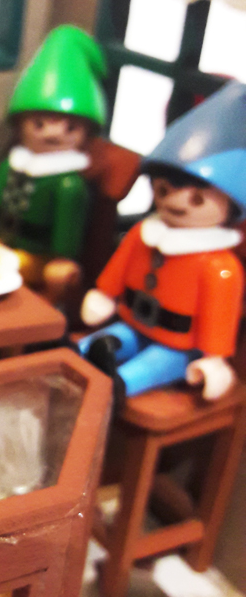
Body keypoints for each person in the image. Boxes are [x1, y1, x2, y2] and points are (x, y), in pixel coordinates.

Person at [79, 80, 246, 402]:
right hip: (132, 323)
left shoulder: (219, 267)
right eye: (164, 190)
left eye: (197, 199)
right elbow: (118, 269)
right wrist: (105, 294)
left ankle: (117, 387)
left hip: (178, 347)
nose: (175, 202)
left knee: (149, 366)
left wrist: (214, 358)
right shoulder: (144, 235)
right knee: (100, 343)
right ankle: (79, 355)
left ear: (231, 205)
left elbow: (220, 316)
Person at [0, 25, 107, 305]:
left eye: (69, 127)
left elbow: (67, 235)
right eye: (39, 124)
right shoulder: (13, 164)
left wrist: (62, 259)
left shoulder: (68, 184)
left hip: (36, 258)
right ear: (20, 125)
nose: (51, 134)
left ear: (86, 133)